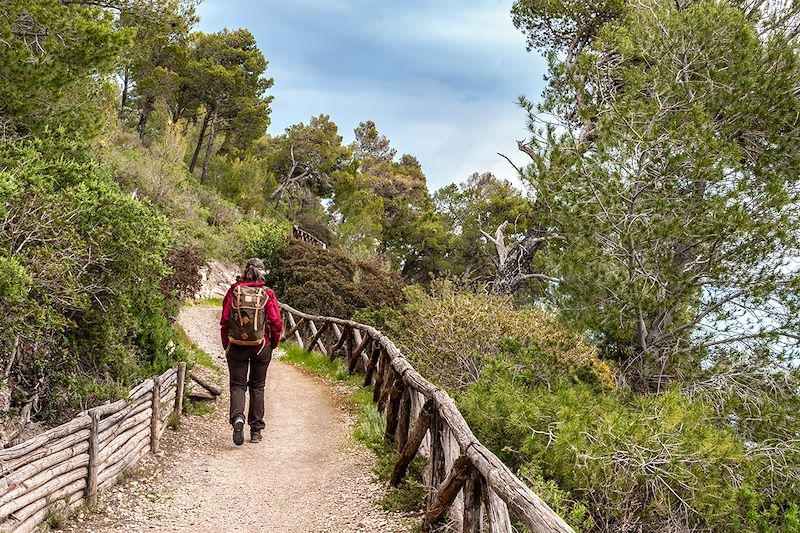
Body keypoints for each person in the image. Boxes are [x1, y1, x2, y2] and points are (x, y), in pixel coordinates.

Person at [220, 258, 282, 445]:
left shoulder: (234, 291)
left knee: (237, 386)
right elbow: (276, 323)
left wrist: (227, 345)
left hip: (236, 346)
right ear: (262, 274)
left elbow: (224, 320)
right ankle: (255, 431)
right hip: (261, 346)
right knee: (257, 387)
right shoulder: (267, 293)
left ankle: (238, 418)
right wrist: (272, 344)